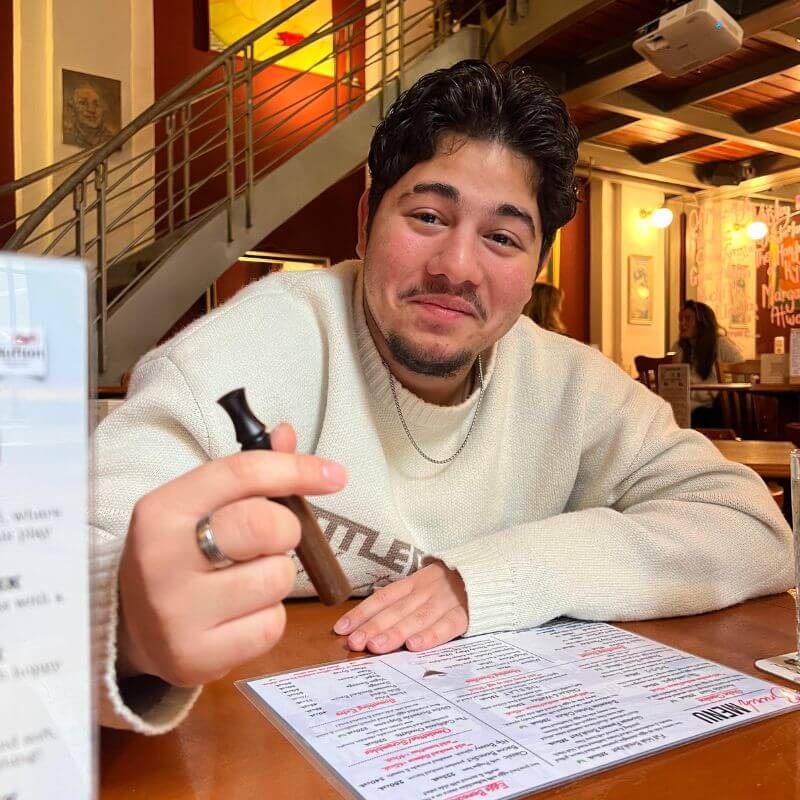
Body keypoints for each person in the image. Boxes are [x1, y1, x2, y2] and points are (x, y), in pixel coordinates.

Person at [91, 60, 792, 734]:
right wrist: (127, 631)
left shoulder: (572, 384)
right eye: (427, 216)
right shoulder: (233, 360)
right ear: (366, 217)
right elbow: (44, 584)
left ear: (536, 267)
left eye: (501, 237)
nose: (457, 267)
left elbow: (755, 532)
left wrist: (492, 578)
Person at [672, 300, 744, 427]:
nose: (682, 323)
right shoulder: (678, 348)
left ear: (702, 323)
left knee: (708, 412)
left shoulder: (720, 344)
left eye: (688, 319)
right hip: (685, 406)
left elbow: (741, 369)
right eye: (680, 319)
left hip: (711, 405)